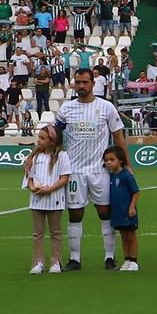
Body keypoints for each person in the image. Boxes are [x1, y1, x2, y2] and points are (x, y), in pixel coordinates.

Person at [54, 67, 127, 270]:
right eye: (78, 82)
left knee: (105, 212)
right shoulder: (66, 109)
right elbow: (54, 136)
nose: (81, 86)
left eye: (85, 82)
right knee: (75, 214)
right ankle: (75, 259)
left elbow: (119, 136)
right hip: (75, 170)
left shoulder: (106, 107)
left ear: (93, 84)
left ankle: (110, 258)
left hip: (100, 170)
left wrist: (126, 165)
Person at [23, 123, 72, 275]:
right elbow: (30, 178)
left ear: (52, 141)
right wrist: (33, 188)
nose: (39, 141)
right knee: (37, 233)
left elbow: (64, 178)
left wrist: (49, 190)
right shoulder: (36, 157)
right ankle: (38, 262)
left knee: (56, 232)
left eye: (42, 138)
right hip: (37, 199)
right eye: (39, 137)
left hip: (55, 199)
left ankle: (55, 261)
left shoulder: (62, 156)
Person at [102, 146, 141, 271]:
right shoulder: (110, 176)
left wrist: (132, 207)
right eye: (106, 160)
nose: (108, 162)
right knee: (123, 236)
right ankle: (127, 259)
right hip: (117, 212)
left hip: (128, 211)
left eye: (111, 159)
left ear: (120, 161)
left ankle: (134, 260)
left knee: (131, 235)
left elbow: (136, 192)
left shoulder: (126, 175)